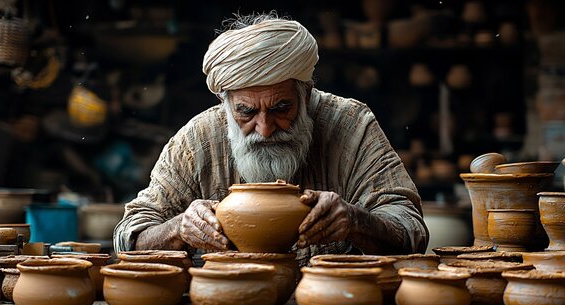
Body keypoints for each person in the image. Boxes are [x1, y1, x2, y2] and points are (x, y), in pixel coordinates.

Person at [113, 12, 428, 266]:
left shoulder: (350, 126)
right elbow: (129, 237)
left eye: (281, 108)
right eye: (246, 112)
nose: (264, 128)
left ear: (306, 94)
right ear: (225, 104)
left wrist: (356, 221)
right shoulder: (198, 140)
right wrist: (178, 228)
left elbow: (412, 230)